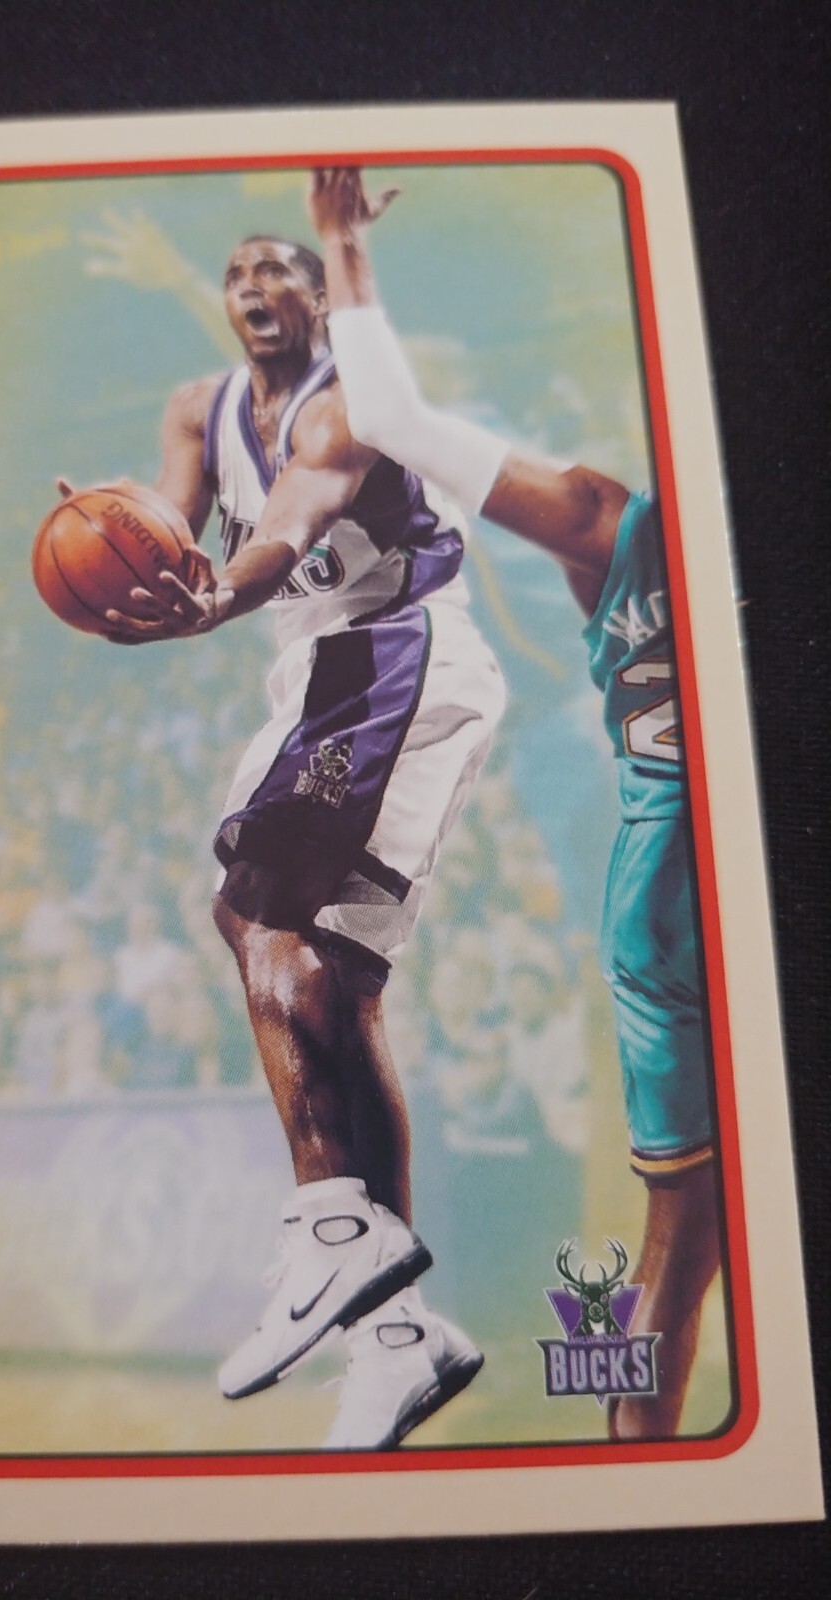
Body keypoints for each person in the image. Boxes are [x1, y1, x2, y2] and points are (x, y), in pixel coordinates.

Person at [305, 166, 721, 1439]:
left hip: (647, 876)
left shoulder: (603, 514)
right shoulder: (647, 524)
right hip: (702, 848)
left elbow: (388, 409)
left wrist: (341, 248)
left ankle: (642, 1485)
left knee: (680, 1245)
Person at [82, 231, 507, 1449]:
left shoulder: (348, 406)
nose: (255, 290)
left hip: (394, 655)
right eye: (236, 276)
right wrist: (120, 560)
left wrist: (219, 594)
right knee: (334, 984)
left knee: (252, 910)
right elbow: (171, 529)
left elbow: (280, 532)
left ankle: (330, 1224)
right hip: (331, 676)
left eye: (280, 271)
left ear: (322, 298)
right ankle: (398, 1337)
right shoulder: (197, 407)